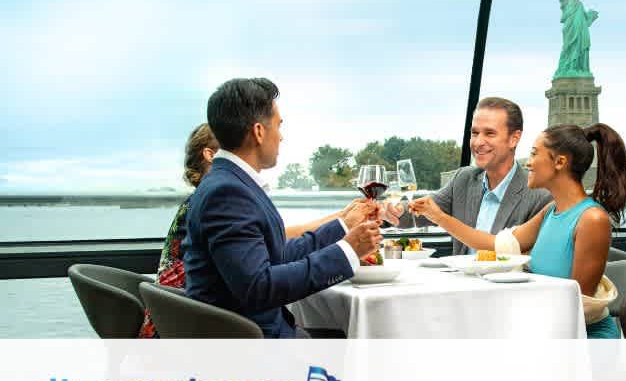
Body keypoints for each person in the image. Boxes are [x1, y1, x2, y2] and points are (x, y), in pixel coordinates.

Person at [183, 78, 383, 339]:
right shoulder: (228, 193)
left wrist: (343, 227)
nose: (281, 136)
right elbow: (259, 287)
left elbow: (275, 254)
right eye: (278, 125)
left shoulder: (227, 182)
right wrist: (348, 251)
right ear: (258, 132)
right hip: (253, 348)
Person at [138, 123, 378, 338]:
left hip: (191, 316)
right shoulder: (221, 197)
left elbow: (268, 246)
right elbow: (265, 268)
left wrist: (344, 223)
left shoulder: (204, 197)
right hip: (212, 327)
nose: (281, 137)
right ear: (211, 155)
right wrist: (345, 243)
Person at [411, 123, 626, 339]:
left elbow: (578, 304)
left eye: (535, 154)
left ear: (560, 162)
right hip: (547, 329)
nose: (528, 163)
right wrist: (438, 216)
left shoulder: (592, 219)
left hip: (581, 338)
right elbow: (496, 244)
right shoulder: (551, 211)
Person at [405, 97, 551, 255]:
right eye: (475, 133)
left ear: (514, 139)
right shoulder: (464, 178)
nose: (478, 142)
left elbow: (515, 255)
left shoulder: (539, 196)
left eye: (489, 133)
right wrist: (389, 212)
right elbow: (423, 211)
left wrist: (441, 218)